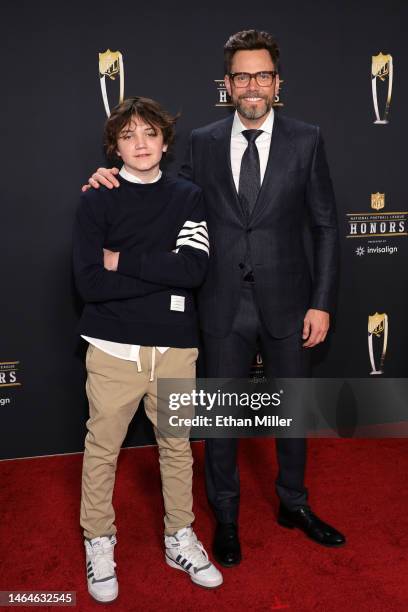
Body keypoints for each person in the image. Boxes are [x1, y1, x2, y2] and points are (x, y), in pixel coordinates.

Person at [82, 29, 346, 568]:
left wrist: (321, 302)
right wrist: (109, 175)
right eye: (243, 76)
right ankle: (225, 516)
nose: (253, 85)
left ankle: (293, 504)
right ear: (227, 84)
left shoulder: (307, 138)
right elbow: (157, 194)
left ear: (277, 82)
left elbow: (324, 226)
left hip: (290, 302)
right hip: (219, 303)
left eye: (263, 75)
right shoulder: (201, 141)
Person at [73, 96, 223, 603]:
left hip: (176, 350)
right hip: (113, 350)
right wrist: (162, 282)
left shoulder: (188, 195)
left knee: (177, 448)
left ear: (165, 140)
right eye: (129, 135)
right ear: (115, 144)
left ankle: (179, 536)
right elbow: (90, 282)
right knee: (103, 450)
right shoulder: (98, 197)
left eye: (150, 133)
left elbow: (194, 271)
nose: (141, 143)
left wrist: (123, 260)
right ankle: (99, 540)